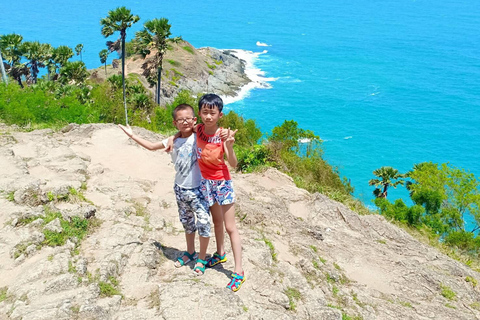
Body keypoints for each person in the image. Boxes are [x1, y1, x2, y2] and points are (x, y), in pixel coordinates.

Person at [119, 104, 210, 275]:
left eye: (188, 119)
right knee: (187, 224)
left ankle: (202, 258)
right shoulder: (173, 141)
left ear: (194, 120)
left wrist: (175, 135)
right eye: (180, 120)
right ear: (175, 123)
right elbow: (151, 146)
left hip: (199, 190)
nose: (184, 122)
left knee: (204, 223)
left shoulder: (199, 136)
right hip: (181, 189)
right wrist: (132, 135)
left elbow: (205, 128)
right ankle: (190, 252)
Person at [196, 93, 245, 292]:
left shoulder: (223, 135)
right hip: (205, 183)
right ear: (199, 113)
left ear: (220, 115)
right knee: (216, 222)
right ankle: (220, 253)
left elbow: (233, 164)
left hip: (222, 183)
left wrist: (230, 146)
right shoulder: (197, 130)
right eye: (205, 112)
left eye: (212, 113)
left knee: (230, 227)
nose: (208, 116)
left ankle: (239, 271)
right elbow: (184, 128)